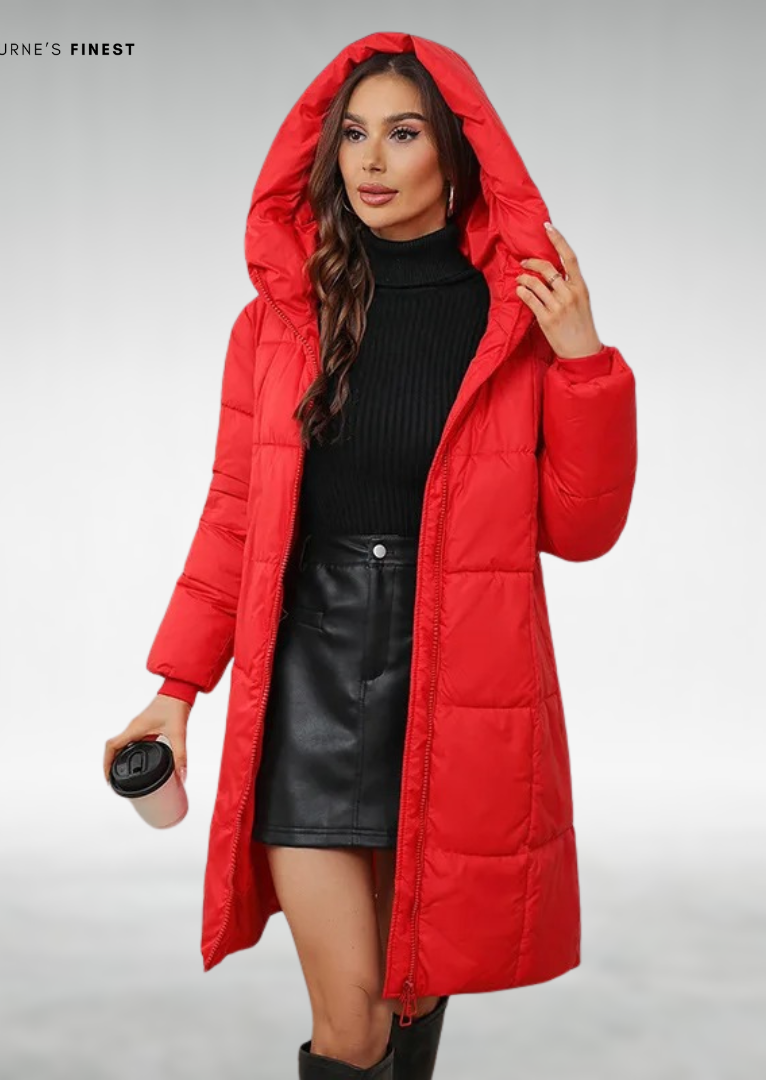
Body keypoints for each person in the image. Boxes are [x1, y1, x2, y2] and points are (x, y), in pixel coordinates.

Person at [103, 32, 637, 1080]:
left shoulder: (516, 321)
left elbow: (582, 532)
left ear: (456, 153)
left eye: (404, 133)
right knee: (350, 1025)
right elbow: (234, 514)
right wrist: (176, 688)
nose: (372, 161)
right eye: (353, 135)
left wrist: (583, 364)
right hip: (308, 672)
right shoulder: (277, 320)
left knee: (408, 997)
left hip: (452, 678)